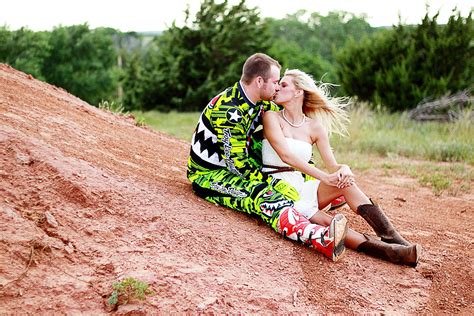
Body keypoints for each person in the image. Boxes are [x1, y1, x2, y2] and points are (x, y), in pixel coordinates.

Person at [187, 53, 349, 262]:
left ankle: (313, 195)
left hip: (238, 164)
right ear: (259, 81)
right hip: (211, 174)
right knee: (263, 195)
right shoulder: (230, 111)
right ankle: (320, 238)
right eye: (275, 82)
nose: (277, 88)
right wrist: (275, 184)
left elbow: (286, 136)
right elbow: (238, 168)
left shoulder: (261, 103)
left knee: (265, 144)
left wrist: (310, 179)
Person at [262, 69, 421, 266]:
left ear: (299, 92)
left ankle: (394, 238)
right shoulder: (271, 117)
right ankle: (393, 253)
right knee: (326, 221)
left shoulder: (314, 127)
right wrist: (324, 177)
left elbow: (333, 165)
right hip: (277, 188)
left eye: (284, 85)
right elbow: (286, 156)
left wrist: (343, 169)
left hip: (302, 186)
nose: (277, 88)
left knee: (346, 183)